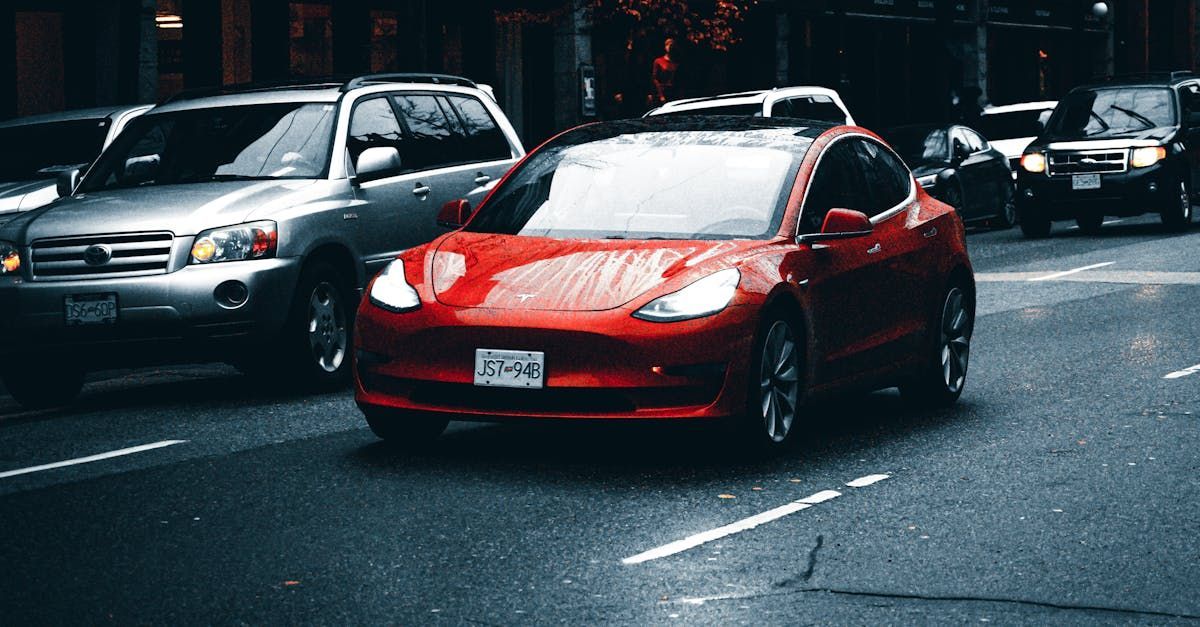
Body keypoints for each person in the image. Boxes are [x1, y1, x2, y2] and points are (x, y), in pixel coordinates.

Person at [652, 38, 679, 104]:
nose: (669, 46)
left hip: (674, 92)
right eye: (667, 44)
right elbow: (655, 79)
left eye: (672, 44)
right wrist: (661, 95)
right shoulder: (658, 61)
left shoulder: (676, 62)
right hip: (663, 92)